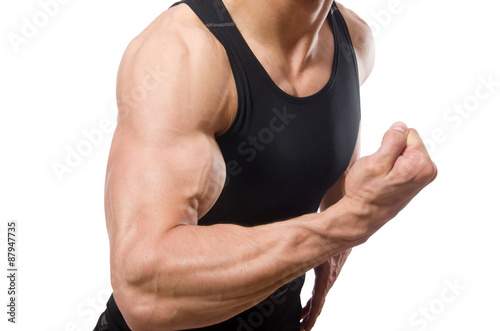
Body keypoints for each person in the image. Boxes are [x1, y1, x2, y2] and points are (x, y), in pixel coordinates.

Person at [94, 0, 437, 330]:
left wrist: (339, 238)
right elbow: (142, 290)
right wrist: (347, 225)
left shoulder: (353, 40)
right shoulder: (181, 52)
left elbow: (327, 174)